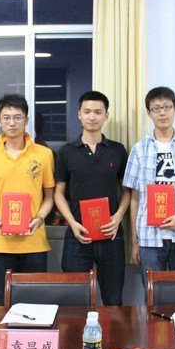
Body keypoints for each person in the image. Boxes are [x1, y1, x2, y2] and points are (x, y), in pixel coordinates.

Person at [123, 87, 175, 288]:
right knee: (153, 295)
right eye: (156, 108)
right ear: (148, 113)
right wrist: (134, 241)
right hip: (149, 237)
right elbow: (134, 197)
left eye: (167, 107)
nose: (162, 113)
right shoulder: (139, 149)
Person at [0, 94, 55, 305]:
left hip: (35, 243)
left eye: (17, 117)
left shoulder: (44, 154)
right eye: (7, 117)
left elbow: (49, 197)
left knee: (36, 306)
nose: (12, 123)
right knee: (3, 304)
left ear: (26, 120)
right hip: (1, 245)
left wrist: (39, 218)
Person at [54, 91, 130, 305]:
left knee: (113, 301)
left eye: (98, 112)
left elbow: (127, 191)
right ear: (79, 114)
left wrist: (118, 217)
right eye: (87, 112)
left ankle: (111, 331)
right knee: (75, 301)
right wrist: (72, 222)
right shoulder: (66, 152)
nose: (92, 117)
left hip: (111, 235)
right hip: (78, 236)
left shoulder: (117, 150)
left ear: (106, 115)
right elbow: (58, 193)